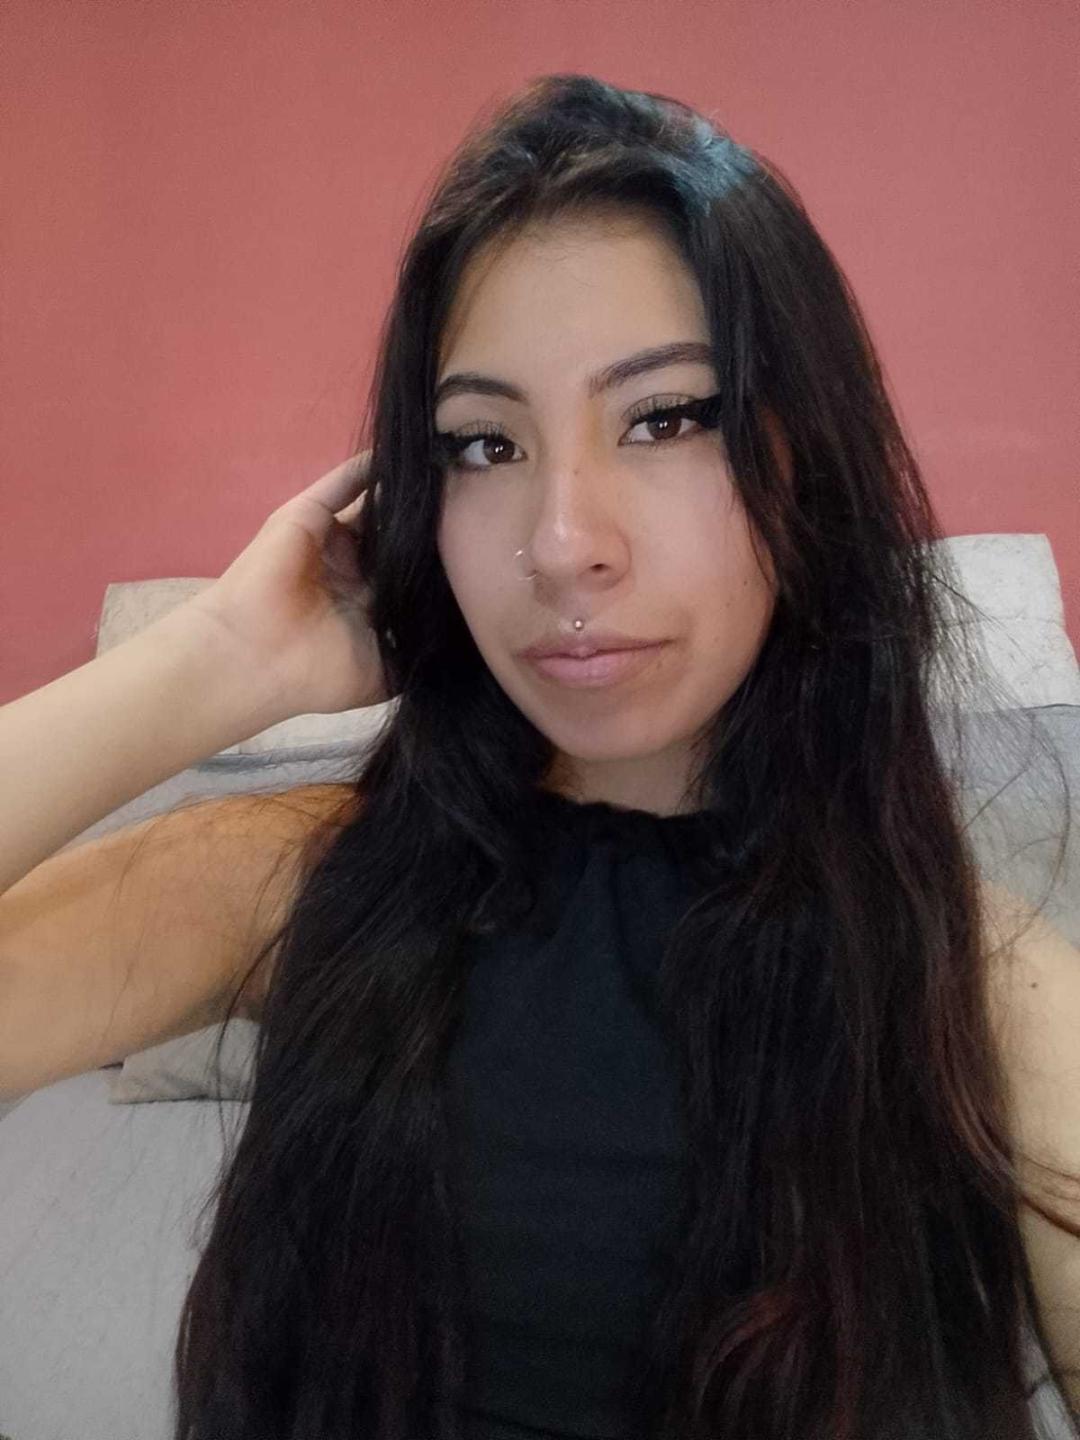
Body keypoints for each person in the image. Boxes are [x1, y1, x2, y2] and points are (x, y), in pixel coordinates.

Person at [0, 72, 1077, 1440]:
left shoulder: (974, 985)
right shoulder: (306, 879)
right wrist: (219, 658)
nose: (562, 543)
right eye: (484, 444)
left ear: (807, 463)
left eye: (666, 418)